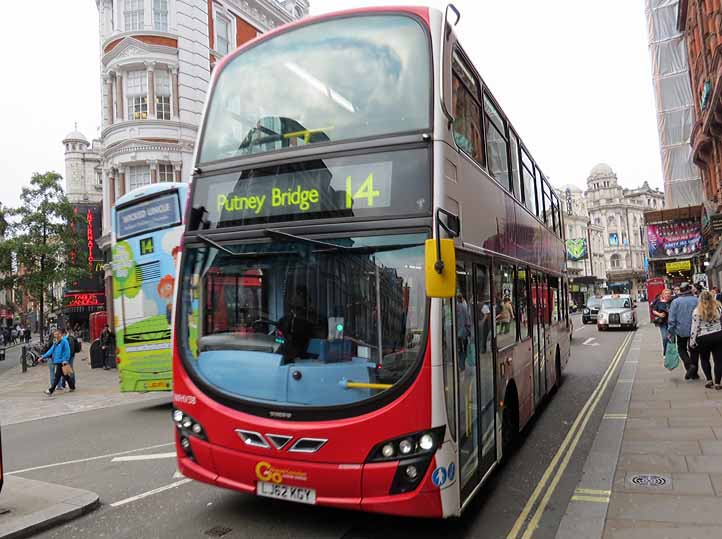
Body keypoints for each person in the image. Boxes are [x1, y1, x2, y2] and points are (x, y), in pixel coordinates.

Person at [690, 290, 722, 390]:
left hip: (703, 337)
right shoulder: (718, 308)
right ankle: (717, 382)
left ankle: (709, 380)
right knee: (718, 360)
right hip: (718, 335)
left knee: (704, 359)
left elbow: (695, 327)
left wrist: (692, 341)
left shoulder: (697, 311)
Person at [668, 282, 701, 380]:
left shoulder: (676, 302)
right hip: (695, 330)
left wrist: (671, 331)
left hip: (680, 330)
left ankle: (689, 366)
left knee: (681, 349)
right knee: (694, 350)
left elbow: (672, 319)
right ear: (690, 290)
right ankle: (694, 373)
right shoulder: (696, 300)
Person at [276, 286, 314, 363]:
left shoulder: (314, 319)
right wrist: (282, 340)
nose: (296, 299)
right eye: (294, 296)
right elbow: (278, 339)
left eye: (300, 295)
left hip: (305, 358)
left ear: (306, 300)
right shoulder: (283, 320)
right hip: (284, 356)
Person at [42, 329, 75, 395]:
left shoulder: (64, 341)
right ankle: (72, 387)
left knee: (57, 376)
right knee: (65, 376)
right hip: (58, 361)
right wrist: (43, 356)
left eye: (56, 334)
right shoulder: (56, 342)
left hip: (62, 362)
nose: (55, 336)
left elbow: (67, 351)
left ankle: (51, 390)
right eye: (54, 335)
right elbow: (51, 350)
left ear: (60, 334)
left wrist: (65, 360)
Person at [651, 288, 673, 357]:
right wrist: (659, 314)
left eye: (669, 294)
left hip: (671, 322)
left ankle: (671, 352)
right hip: (662, 322)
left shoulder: (673, 301)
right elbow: (654, 310)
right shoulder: (658, 302)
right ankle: (665, 352)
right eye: (666, 294)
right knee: (664, 337)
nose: (667, 295)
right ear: (663, 295)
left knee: (671, 338)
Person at [456, 293, 471, 368]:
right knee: (463, 349)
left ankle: (458, 363)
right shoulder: (464, 307)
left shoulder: (454, 307)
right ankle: (462, 365)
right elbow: (467, 321)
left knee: (458, 349)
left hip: (456, 333)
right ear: (461, 299)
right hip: (463, 332)